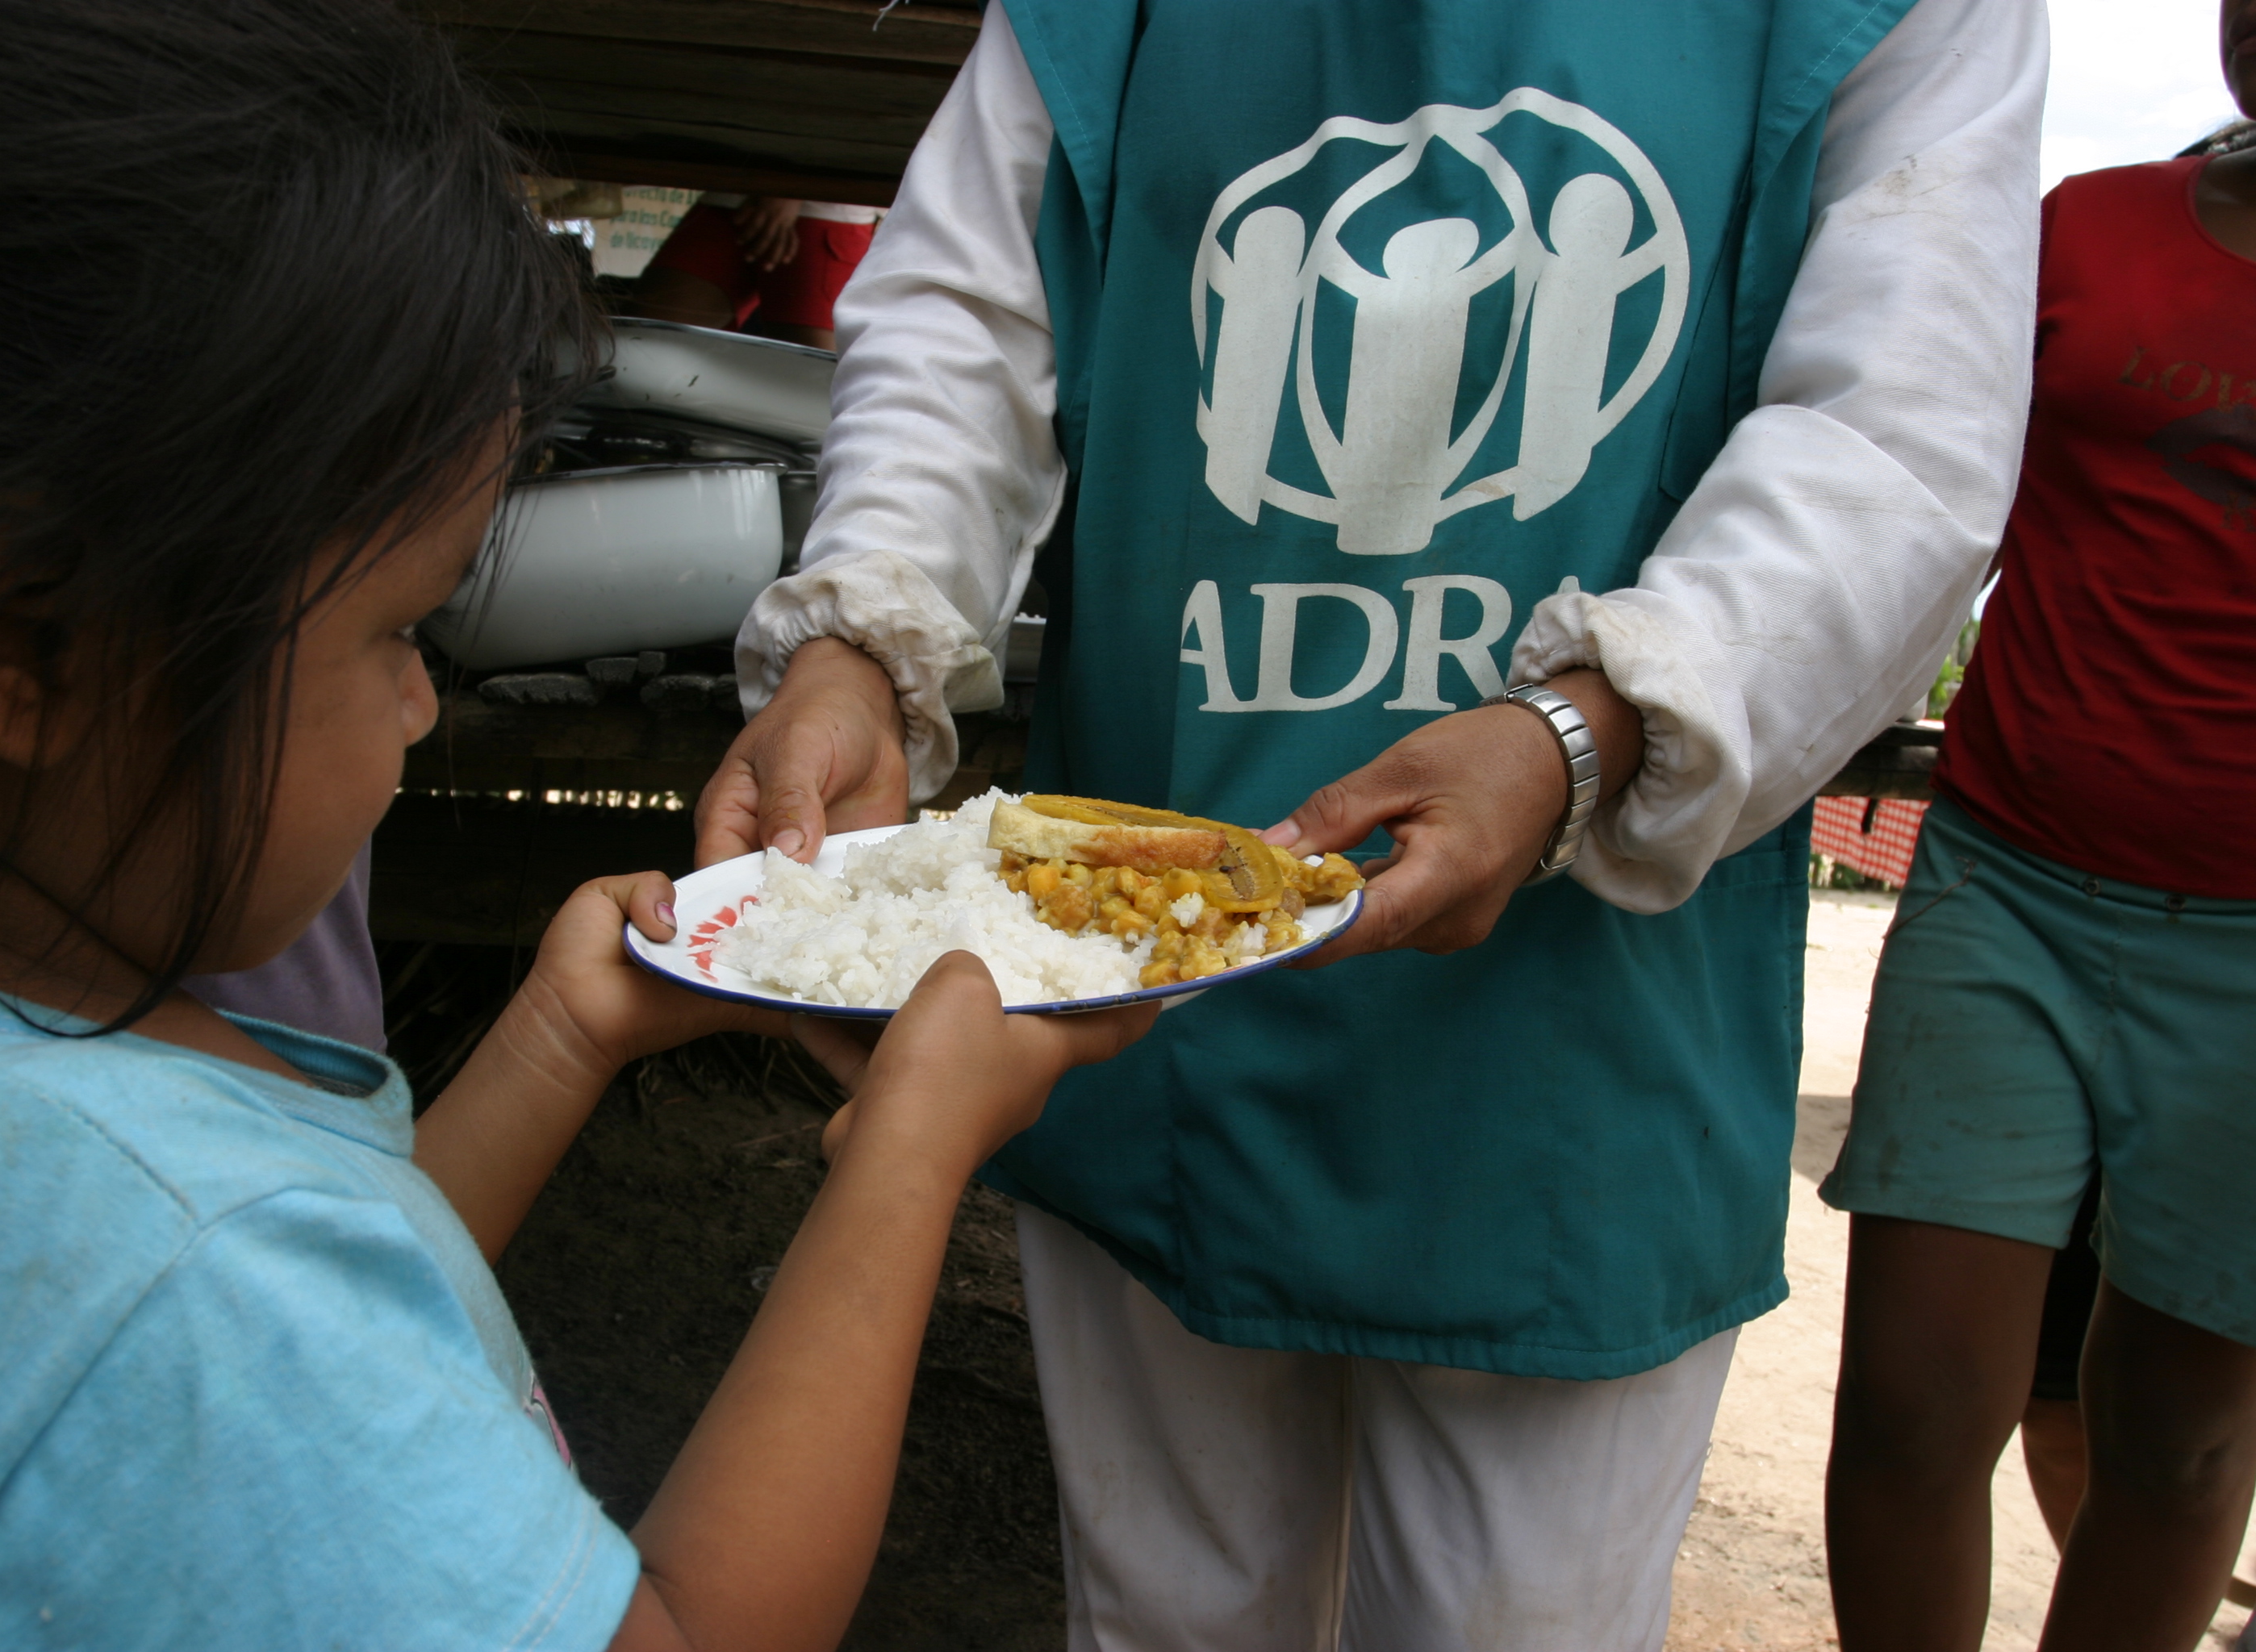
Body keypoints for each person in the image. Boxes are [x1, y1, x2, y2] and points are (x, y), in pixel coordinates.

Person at [0, 6, 1151, 1649]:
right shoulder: (163, 1272)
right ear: (22, 640)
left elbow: (335, 1281)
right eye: (393, 636)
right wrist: (915, 1155)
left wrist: (561, 1033)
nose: (426, 705)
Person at [697, 0, 2047, 1643]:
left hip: (1572, 1045)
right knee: (1165, 1612)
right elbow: (967, 318)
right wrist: (860, 637)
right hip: (1135, 987)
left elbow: (1902, 432)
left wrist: (1585, 730)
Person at [1820, 2, 2256, 1644]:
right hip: (2010, 887)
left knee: (2177, 1431)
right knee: (1914, 1406)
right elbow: (1926, 487)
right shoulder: (2088, 231)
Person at [627, 194, 881, 351]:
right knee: (646, 343)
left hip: (827, 209)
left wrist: (791, 186)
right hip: (731, 193)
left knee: (811, 377)